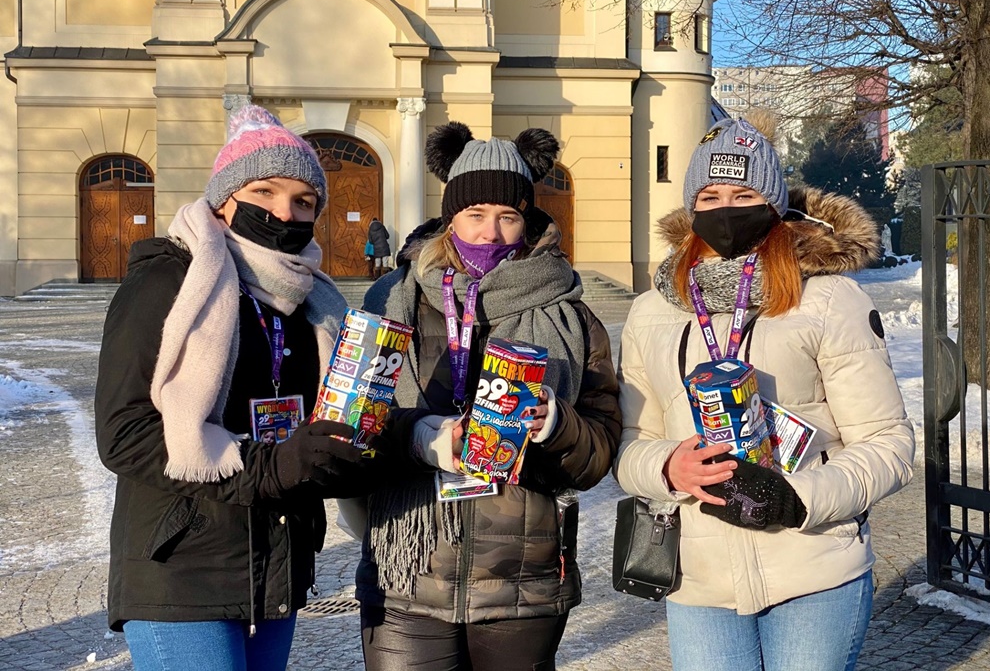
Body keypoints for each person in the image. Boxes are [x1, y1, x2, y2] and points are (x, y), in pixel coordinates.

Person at [614, 115, 915, 671]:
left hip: (814, 565)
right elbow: (631, 442)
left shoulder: (827, 299)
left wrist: (798, 498)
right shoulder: (650, 310)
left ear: (773, 204)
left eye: (744, 194)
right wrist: (666, 467)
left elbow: (888, 443)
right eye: (710, 196)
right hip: (699, 581)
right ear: (691, 207)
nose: (726, 210)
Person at [95, 105, 376, 671]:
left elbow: (318, 424)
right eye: (264, 191)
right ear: (224, 200)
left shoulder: (312, 301)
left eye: (304, 201)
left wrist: (339, 453)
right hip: (182, 565)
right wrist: (271, 465)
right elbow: (123, 435)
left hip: (276, 560)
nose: (284, 212)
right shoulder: (167, 280)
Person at [355, 122, 622, 670]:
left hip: (523, 578)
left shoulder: (571, 314)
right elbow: (354, 424)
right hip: (408, 571)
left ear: (527, 221)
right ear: (450, 216)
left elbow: (598, 453)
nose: (490, 233)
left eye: (507, 216)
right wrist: (421, 437)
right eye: (475, 214)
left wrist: (556, 424)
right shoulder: (392, 300)